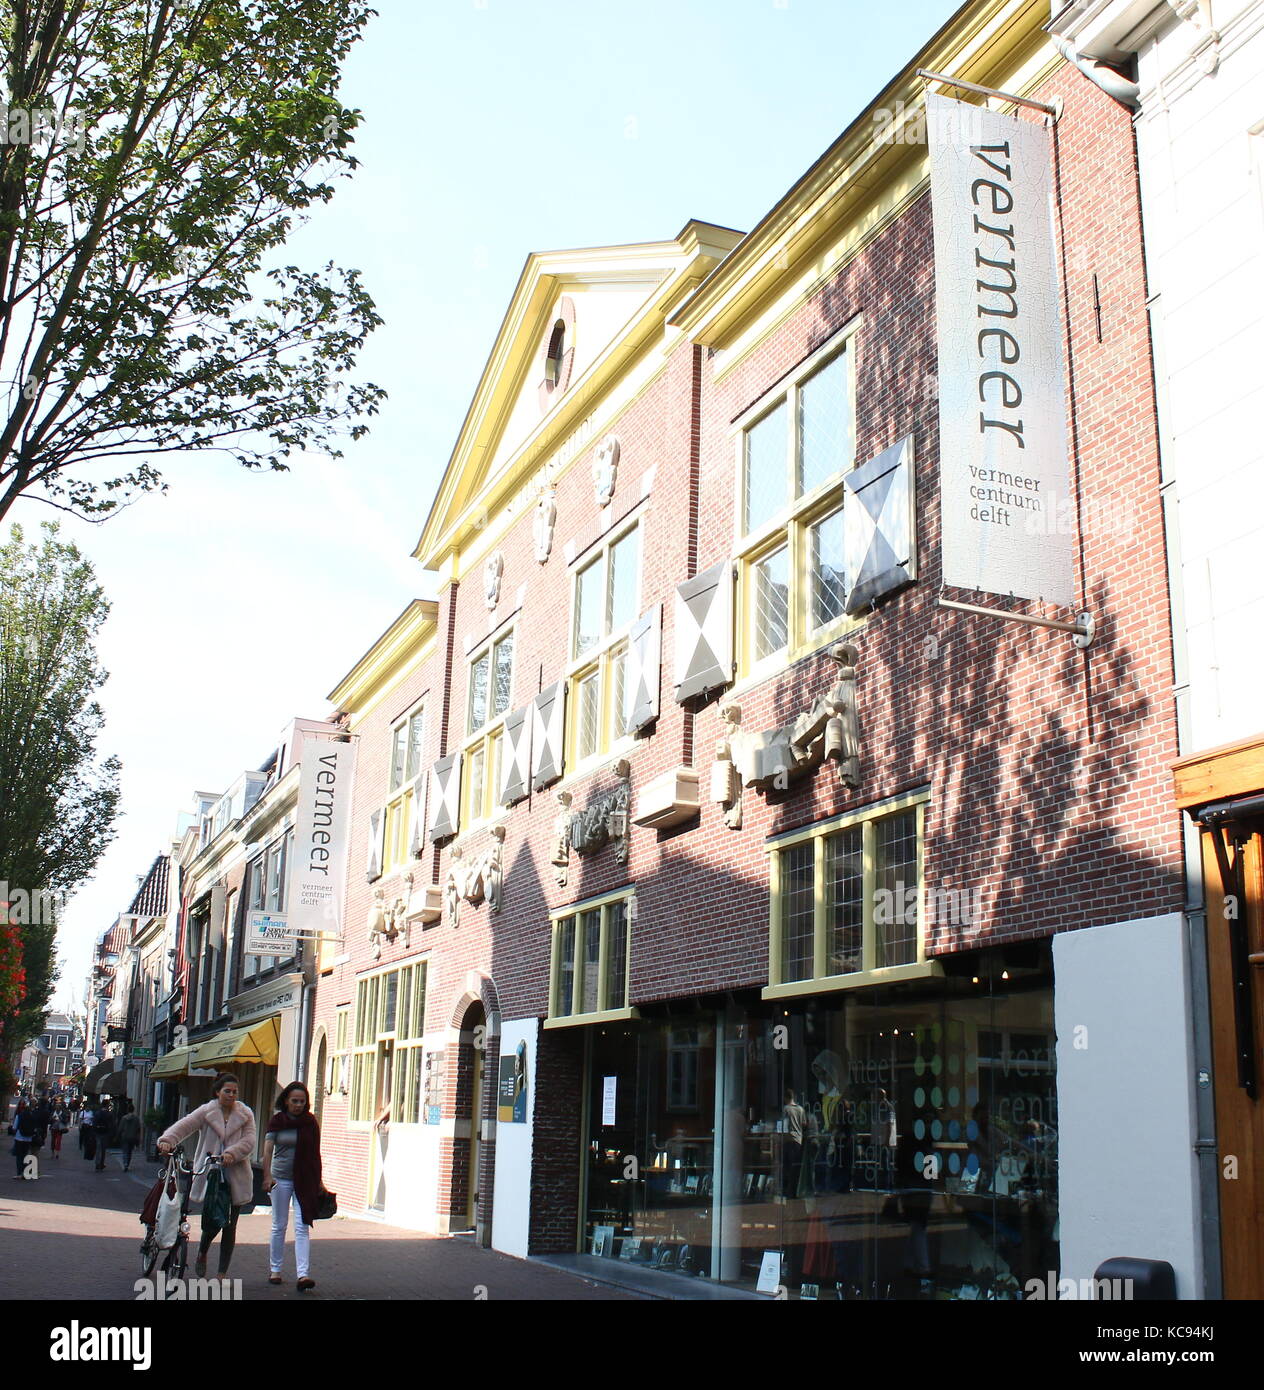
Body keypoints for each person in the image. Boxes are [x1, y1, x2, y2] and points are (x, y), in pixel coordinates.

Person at [157, 1073, 256, 1279]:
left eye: (234, 1091)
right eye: (227, 1091)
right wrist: (168, 1139)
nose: (231, 1095)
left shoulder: (245, 1114)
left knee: (231, 1224)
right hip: (211, 1173)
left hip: (235, 1174)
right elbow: (185, 1125)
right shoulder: (206, 1111)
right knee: (211, 1220)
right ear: (217, 1092)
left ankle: (221, 1272)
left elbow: (249, 1141)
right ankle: (202, 1252)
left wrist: (231, 1153)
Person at [263, 1082, 323, 1292]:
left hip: (304, 1179)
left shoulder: (310, 1122)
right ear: (286, 1101)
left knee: (302, 1225)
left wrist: (319, 1181)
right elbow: (268, 1151)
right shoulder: (278, 1121)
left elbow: (316, 1153)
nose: (298, 1105)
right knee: (279, 1225)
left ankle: (303, 1274)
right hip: (280, 1179)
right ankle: (275, 1269)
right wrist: (267, 1176)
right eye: (294, 1101)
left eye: (302, 1101)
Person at [9, 1101, 39, 1179]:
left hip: (19, 1137)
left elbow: (14, 1127)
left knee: (19, 1156)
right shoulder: (33, 1117)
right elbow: (35, 1128)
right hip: (28, 1138)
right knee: (25, 1155)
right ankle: (25, 1172)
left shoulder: (19, 1116)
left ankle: (19, 1173)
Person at [117, 1103, 142, 1171]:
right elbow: (138, 1128)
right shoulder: (136, 1118)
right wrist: (138, 1137)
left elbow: (120, 1128)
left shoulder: (124, 1118)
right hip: (132, 1137)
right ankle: (127, 1164)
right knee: (129, 1151)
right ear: (133, 1110)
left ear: (127, 1110)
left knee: (125, 1151)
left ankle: (125, 1164)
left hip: (125, 1136)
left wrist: (118, 1135)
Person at [92, 1099, 116, 1170]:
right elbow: (112, 1124)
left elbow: (94, 1122)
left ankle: (97, 1162)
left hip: (98, 1132)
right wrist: (112, 1133)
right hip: (105, 1133)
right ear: (107, 1105)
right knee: (103, 1149)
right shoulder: (109, 1114)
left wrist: (94, 1131)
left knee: (98, 1148)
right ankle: (101, 1163)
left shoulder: (97, 1113)